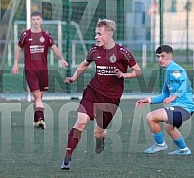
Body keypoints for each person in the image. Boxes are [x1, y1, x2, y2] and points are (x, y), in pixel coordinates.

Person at [60, 19, 142, 170]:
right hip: (93, 91)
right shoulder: (94, 51)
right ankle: (67, 157)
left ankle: (100, 139)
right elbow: (84, 63)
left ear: (109, 34)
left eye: (99, 34)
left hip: (111, 99)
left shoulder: (123, 53)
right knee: (81, 121)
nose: (96, 37)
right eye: (95, 34)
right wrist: (73, 77)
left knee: (98, 132)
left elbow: (138, 71)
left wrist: (124, 75)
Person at [12, 11, 68, 129]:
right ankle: (41, 119)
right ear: (31, 21)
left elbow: (54, 48)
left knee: (39, 97)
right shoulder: (25, 35)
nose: (36, 22)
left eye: (38, 19)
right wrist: (16, 63)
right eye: (33, 19)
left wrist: (62, 59)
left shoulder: (46, 35)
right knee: (37, 96)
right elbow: (18, 49)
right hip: (30, 70)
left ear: (41, 20)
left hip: (43, 71)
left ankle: (36, 120)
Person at [136, 45, 194, 155]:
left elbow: (186, 83)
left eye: (163, 56)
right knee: (169, 127)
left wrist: (174, 96)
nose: (160, 59)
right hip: (182, 108)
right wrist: (148, 100)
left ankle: (160, 145)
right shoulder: (168, 71)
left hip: (183, 108)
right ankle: (184, 150)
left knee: (151, 117)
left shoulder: (174, 68)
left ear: (171, 56)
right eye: (158, 57)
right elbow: (165, 94)